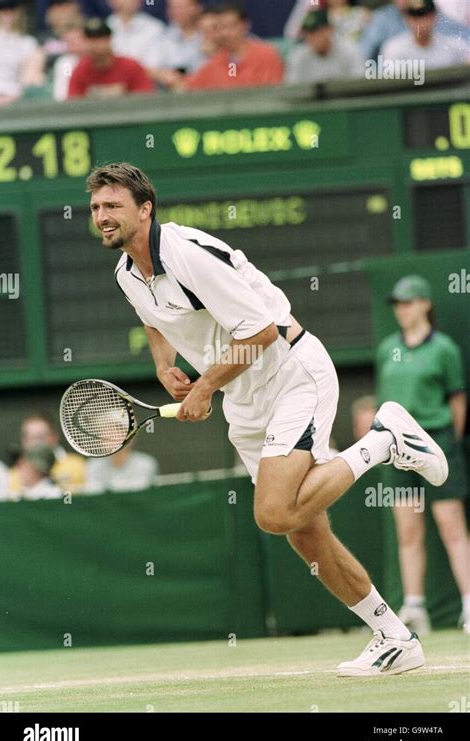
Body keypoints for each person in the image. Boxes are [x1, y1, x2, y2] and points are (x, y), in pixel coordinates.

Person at [85, 161, 452, 677]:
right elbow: (155, 320)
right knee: (304, 532)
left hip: (290, 373)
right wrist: (165, 365)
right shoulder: (127, 272)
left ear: (145, 210)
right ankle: (395, 637)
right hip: (245, 397)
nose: (102, 216)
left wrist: (205, 386)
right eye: (97, 207)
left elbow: (260, 333)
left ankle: (383, 441)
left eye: (113, 206)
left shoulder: (188, 256)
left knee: (274, 514)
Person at [377, 275, 469, 634]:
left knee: (451, 527)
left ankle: (468, 605)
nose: (402, 309)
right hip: (397, 450)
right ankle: (415, 607)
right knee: (408, 531)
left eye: (408, 302)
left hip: (440, 442)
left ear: (425, 304)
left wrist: (446, 445)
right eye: (398, 304)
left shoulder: (444, 349)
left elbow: (457, 400)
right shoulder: (388, 349)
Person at [181, 2, 284, 91]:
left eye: (231, 26)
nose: (225, 33)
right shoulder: (222, 61)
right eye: (220, 27)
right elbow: (187, 86)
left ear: (245, 25)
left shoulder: (266, 54)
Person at [68, 16, 153, 98]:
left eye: (101, 39)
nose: (96, 45)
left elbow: (145, 98)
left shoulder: (131, 66)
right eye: (92, 40)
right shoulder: (80, 69)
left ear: (110, 40)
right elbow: (73, 103)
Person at [359, 0, 470, 62]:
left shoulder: (439, 18)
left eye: (424, 16)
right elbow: (364, 56)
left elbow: (465, 41)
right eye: (415, 17)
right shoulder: (382, 19)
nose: (421, 22)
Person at [10, 413, 86, 494]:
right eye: (30, 437)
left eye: (40, 437)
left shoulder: (78, 465)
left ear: (54, 437)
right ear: (24, 440)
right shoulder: (14, 474)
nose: (36, 443)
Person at [286, 8, 364, 85]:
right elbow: (292, 91)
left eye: (315, 31)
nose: (310, 37)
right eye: (307, 32)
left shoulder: (349, 51)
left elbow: (361, 84)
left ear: (329, 30)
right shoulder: (298, 57)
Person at [0, 0, 46, 106]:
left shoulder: (28, 42)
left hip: (16, 97)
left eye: (12, 9)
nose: (8, 13)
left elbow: (31, 78)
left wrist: (13, 97)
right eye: (1, 9)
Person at [106, 0, 165, 74]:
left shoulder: (155, 28)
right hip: (109, 80)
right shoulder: (106, 26)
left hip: (144, 81)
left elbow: (155, 66)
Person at [84, 439, 160, 494]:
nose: (113, 436)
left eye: (120, 430)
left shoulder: (146, 464)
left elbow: (138, 495)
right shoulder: (93, 464)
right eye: (109, 430)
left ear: (133, 437)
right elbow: (93, 496)